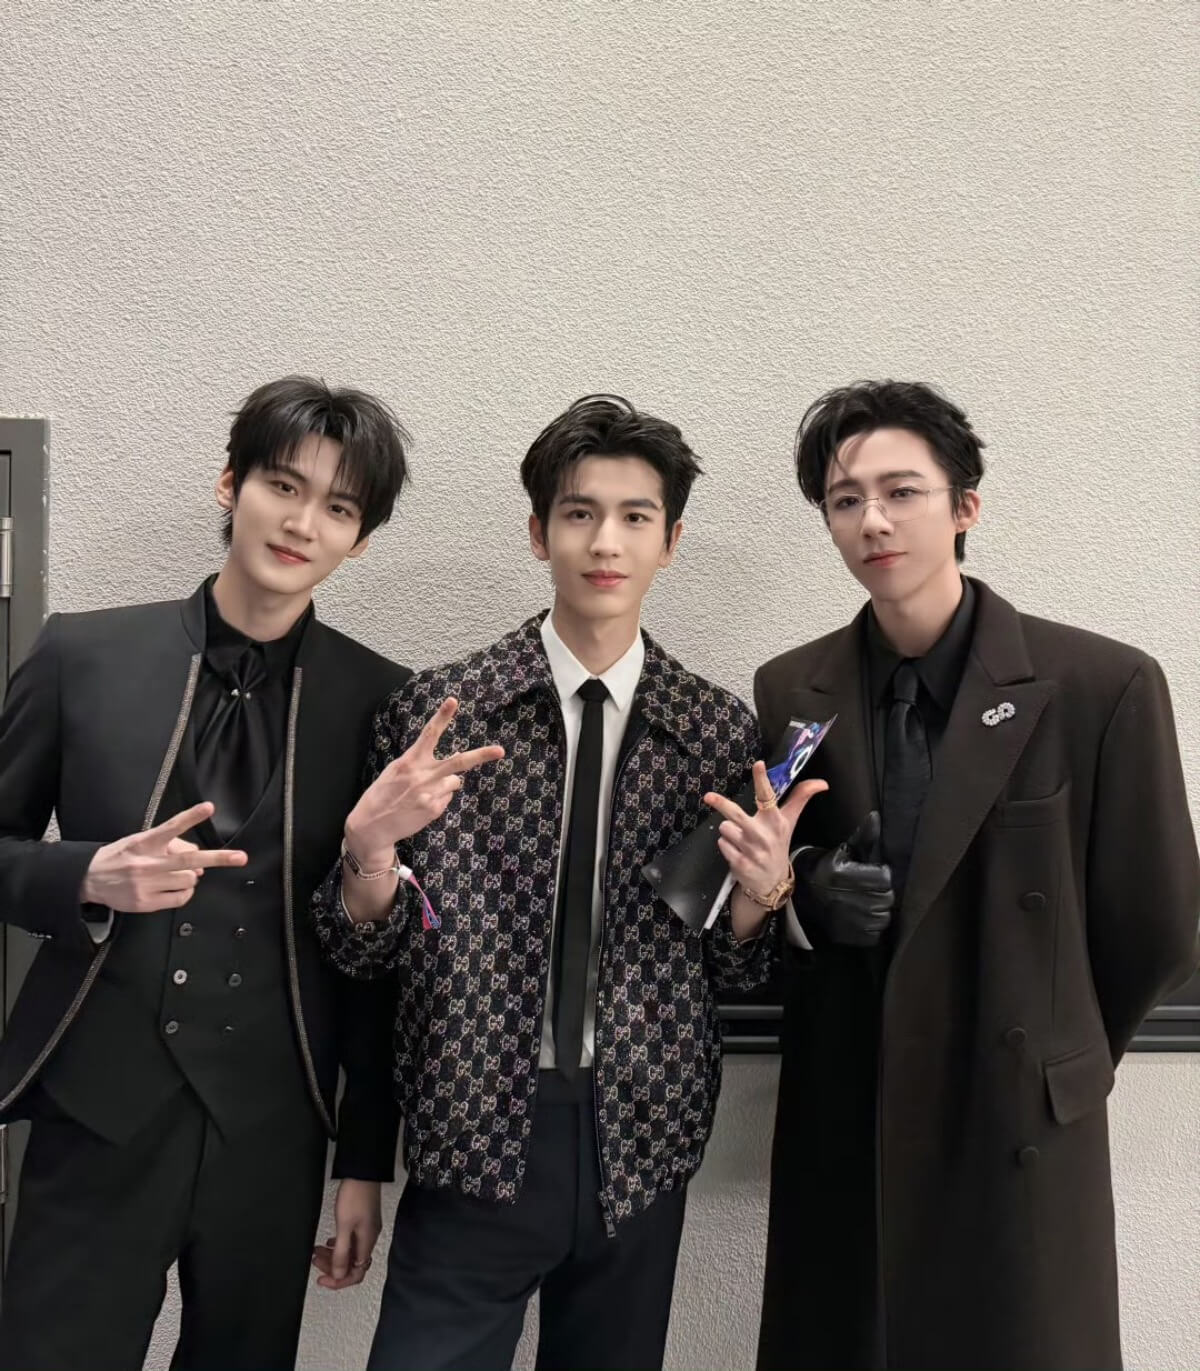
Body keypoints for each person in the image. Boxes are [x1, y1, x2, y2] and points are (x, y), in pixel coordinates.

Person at [313, 394, 823, 1371]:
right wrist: (366, 857)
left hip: (642, 1135)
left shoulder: (713, 731)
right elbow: (364, 957)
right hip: (470, 1127)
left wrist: (764, 896)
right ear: (538, 530)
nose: (606, 541)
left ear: (671, 541)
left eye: (636, 516)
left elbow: (728, 967)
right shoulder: (439, 716)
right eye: (580, 512)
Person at [754, 379, 1200, 1371]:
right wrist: (809, 894)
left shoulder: (1101, 684)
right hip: (853, 1102)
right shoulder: (793, 688)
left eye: (901, 491)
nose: (873, 521)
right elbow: (774, 873)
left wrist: (1057, 1057)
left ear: (965, 506)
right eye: (844, 499)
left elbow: (1161, 920)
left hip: (1016, 1118)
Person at [0, 376, 420, 1371]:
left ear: (360, 539)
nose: (303, 523)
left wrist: (364, 1160)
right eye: (284, 486)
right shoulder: (82, 654)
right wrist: (85, 875)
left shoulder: (380, 700)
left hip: (272, 1129)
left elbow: (377, 965)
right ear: (232, 483)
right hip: (99, 1106)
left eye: (339, 508)